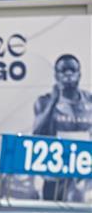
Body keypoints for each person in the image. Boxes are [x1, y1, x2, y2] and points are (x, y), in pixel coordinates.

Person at [33, 54, 92, 201]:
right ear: (56, 75)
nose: (68, 74)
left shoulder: (90, 100)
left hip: (83, 169)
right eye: (63, 70)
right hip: (55, 171)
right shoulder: (44, 101)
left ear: (79, 73)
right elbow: (37, 133)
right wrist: (54, 101)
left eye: (72, 70)